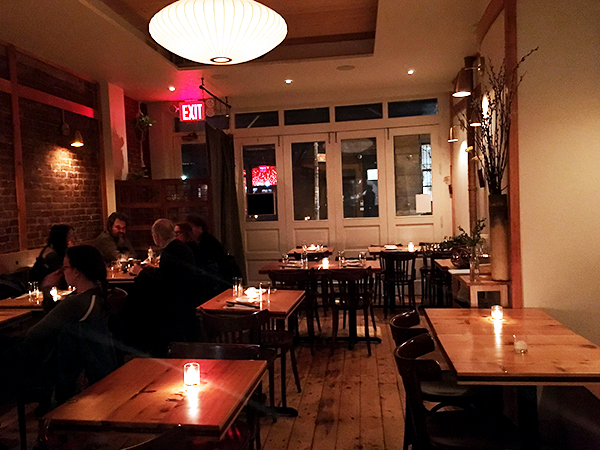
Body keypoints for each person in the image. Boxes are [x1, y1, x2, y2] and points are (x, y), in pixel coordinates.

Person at [25, 245, 116, 405]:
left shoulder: (76, 302)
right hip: (101, 364)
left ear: (76, 272)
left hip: (76, 371)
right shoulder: (98, 294)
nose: (62, 272)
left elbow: (35, 333)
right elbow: (55, 317)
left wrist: (46, 287)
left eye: (65, 267)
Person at [128, 219, 199, 356]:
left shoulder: (169, 253)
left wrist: (140, 273)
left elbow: (161, 286)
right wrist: (153, 270)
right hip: (186, 300)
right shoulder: (181, 248)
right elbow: (171, 276)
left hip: (172, 306)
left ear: (157, 236)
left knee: (138, 303)